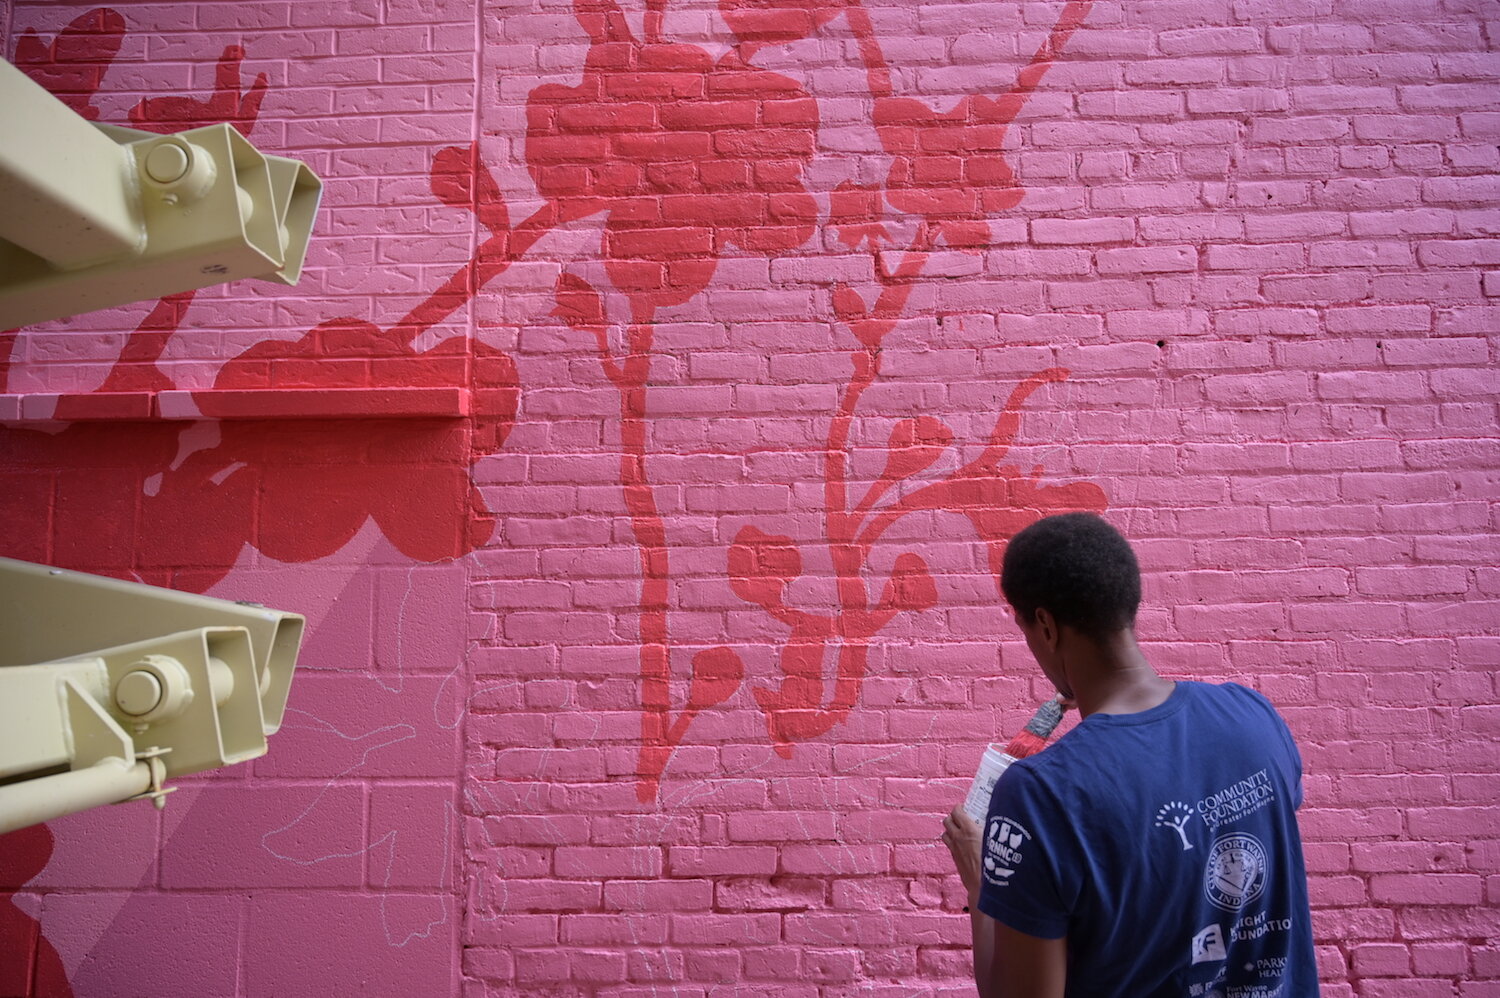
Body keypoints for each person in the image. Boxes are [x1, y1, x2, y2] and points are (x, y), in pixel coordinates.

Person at [942, 512, 1318, 998]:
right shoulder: (1253, 716)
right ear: (1128, 603)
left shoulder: (1040, 794)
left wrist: (981, 886)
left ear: (1046, 626)